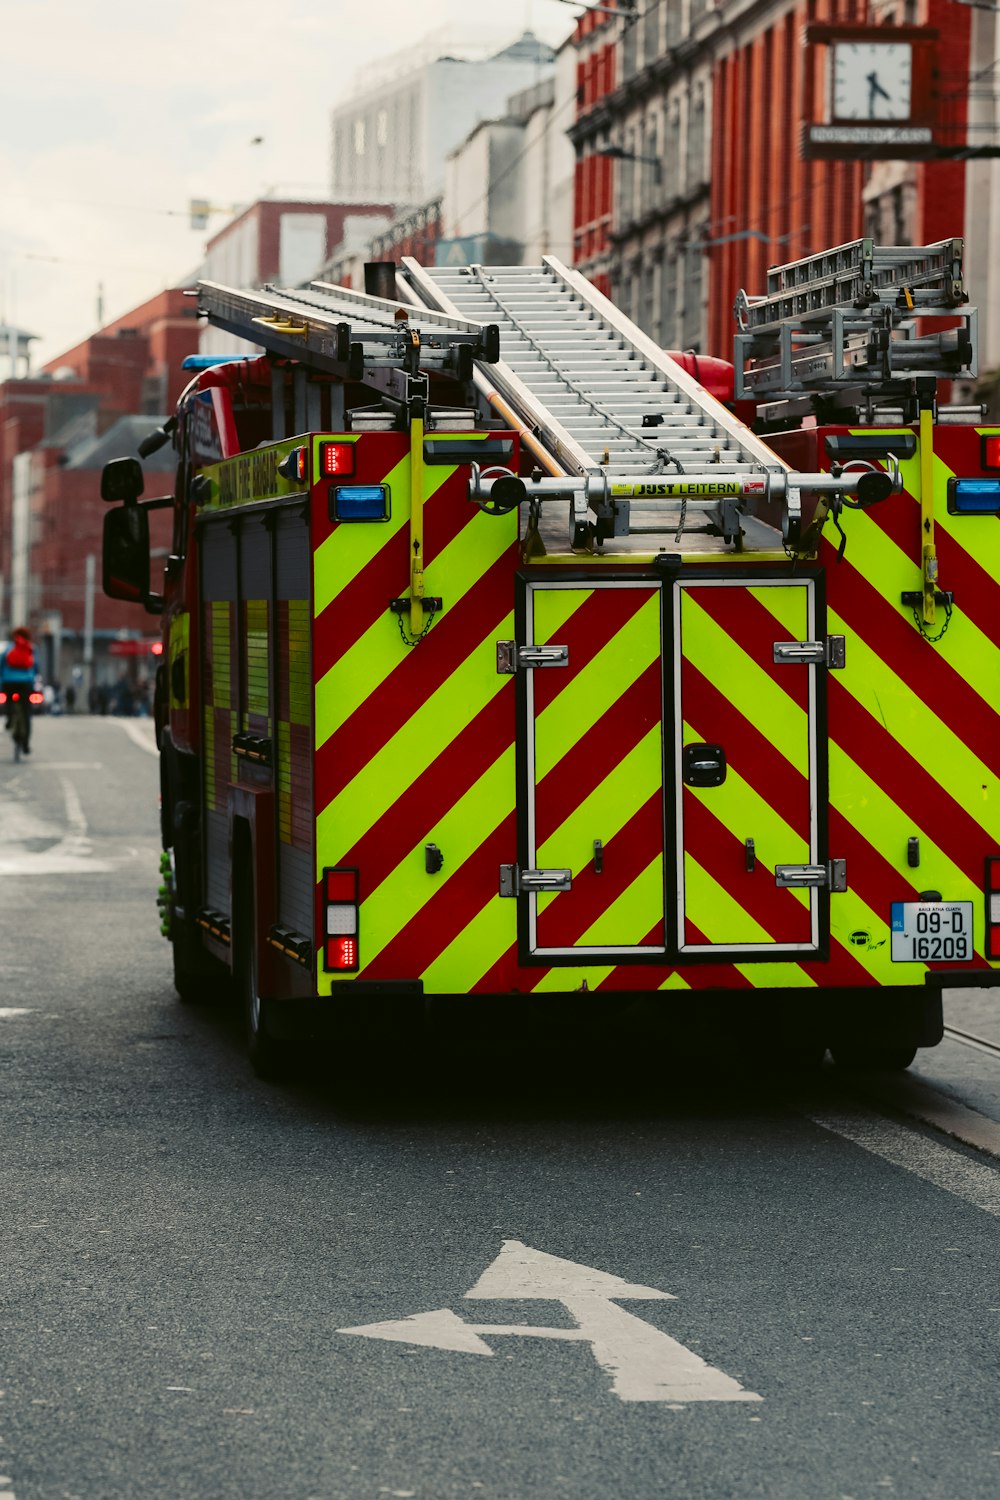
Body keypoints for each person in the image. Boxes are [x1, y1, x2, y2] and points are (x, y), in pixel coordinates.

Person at [0, 626, 37, 754]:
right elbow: (35, 667)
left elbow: (1, 664)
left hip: (9, 682)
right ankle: (26, 744)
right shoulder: (30, 648)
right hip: (26, 683)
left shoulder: (8, 648)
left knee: (9, 701)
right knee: (26, 712)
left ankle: (9, 719)